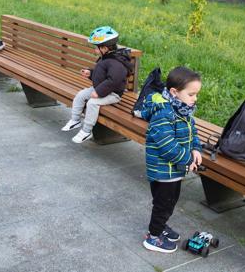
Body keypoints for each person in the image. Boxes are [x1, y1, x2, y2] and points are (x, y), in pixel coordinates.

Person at [138, 66, 203, 253]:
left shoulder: (183, 110)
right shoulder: (164, 113)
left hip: (173, 170)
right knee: (163, 203)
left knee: (169, 202)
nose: (195, 98)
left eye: (196, 94)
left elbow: (192, 133)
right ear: (174, 92)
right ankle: (153, 237)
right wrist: (187, 159)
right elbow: (167, 145)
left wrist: (196, 148)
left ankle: (161, 226)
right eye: (191, 94)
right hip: (163, 170)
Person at [61, 26, 133, 143]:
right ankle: (75, 120)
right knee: (81, 94)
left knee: (92, 103)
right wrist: (90, 73)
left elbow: (113, 81)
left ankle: (86, 131)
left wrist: (98, 92)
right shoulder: (106, 57)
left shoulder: (116, 62)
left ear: (104, 48)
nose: (95, 50)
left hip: (113, 94)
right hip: (101, 90)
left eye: (96, 48)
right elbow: (102, 75)